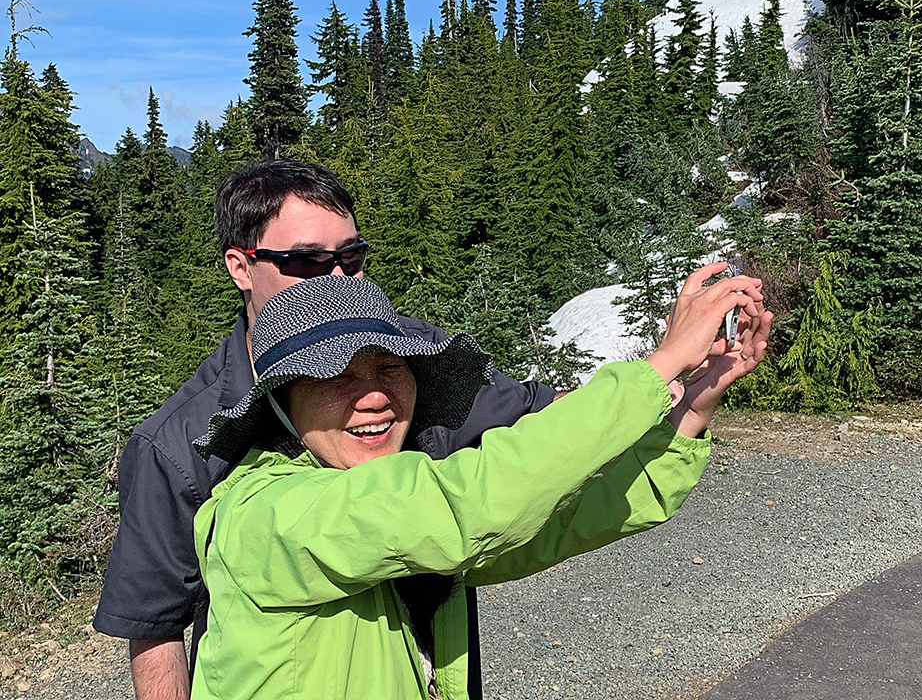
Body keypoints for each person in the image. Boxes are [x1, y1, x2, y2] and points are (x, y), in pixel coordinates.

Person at [93, 160, 560, 700]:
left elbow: (537, 414)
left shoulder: (410, 355)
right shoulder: (176, 444)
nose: (339, 278)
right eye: (309, 261)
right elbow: (154, 627)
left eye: (352, 256)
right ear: (240, 267)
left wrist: (665, 387)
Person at [189, 267, 769, 699]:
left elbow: (560, 520)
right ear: (283, 404)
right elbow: (471, 503)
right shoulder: (264, 514)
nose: (372, 396)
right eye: (334, 375)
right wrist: (657, 368)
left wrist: (693, 403)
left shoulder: (399, 510)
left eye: (390, 367)